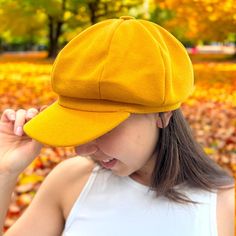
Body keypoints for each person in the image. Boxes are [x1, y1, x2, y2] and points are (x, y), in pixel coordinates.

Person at [0, 15, 235, 236]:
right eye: (76, 126)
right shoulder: (69, 181)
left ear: (163, 115)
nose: (81, 150)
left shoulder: (225, 208)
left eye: (103, 128)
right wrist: (4, 171)